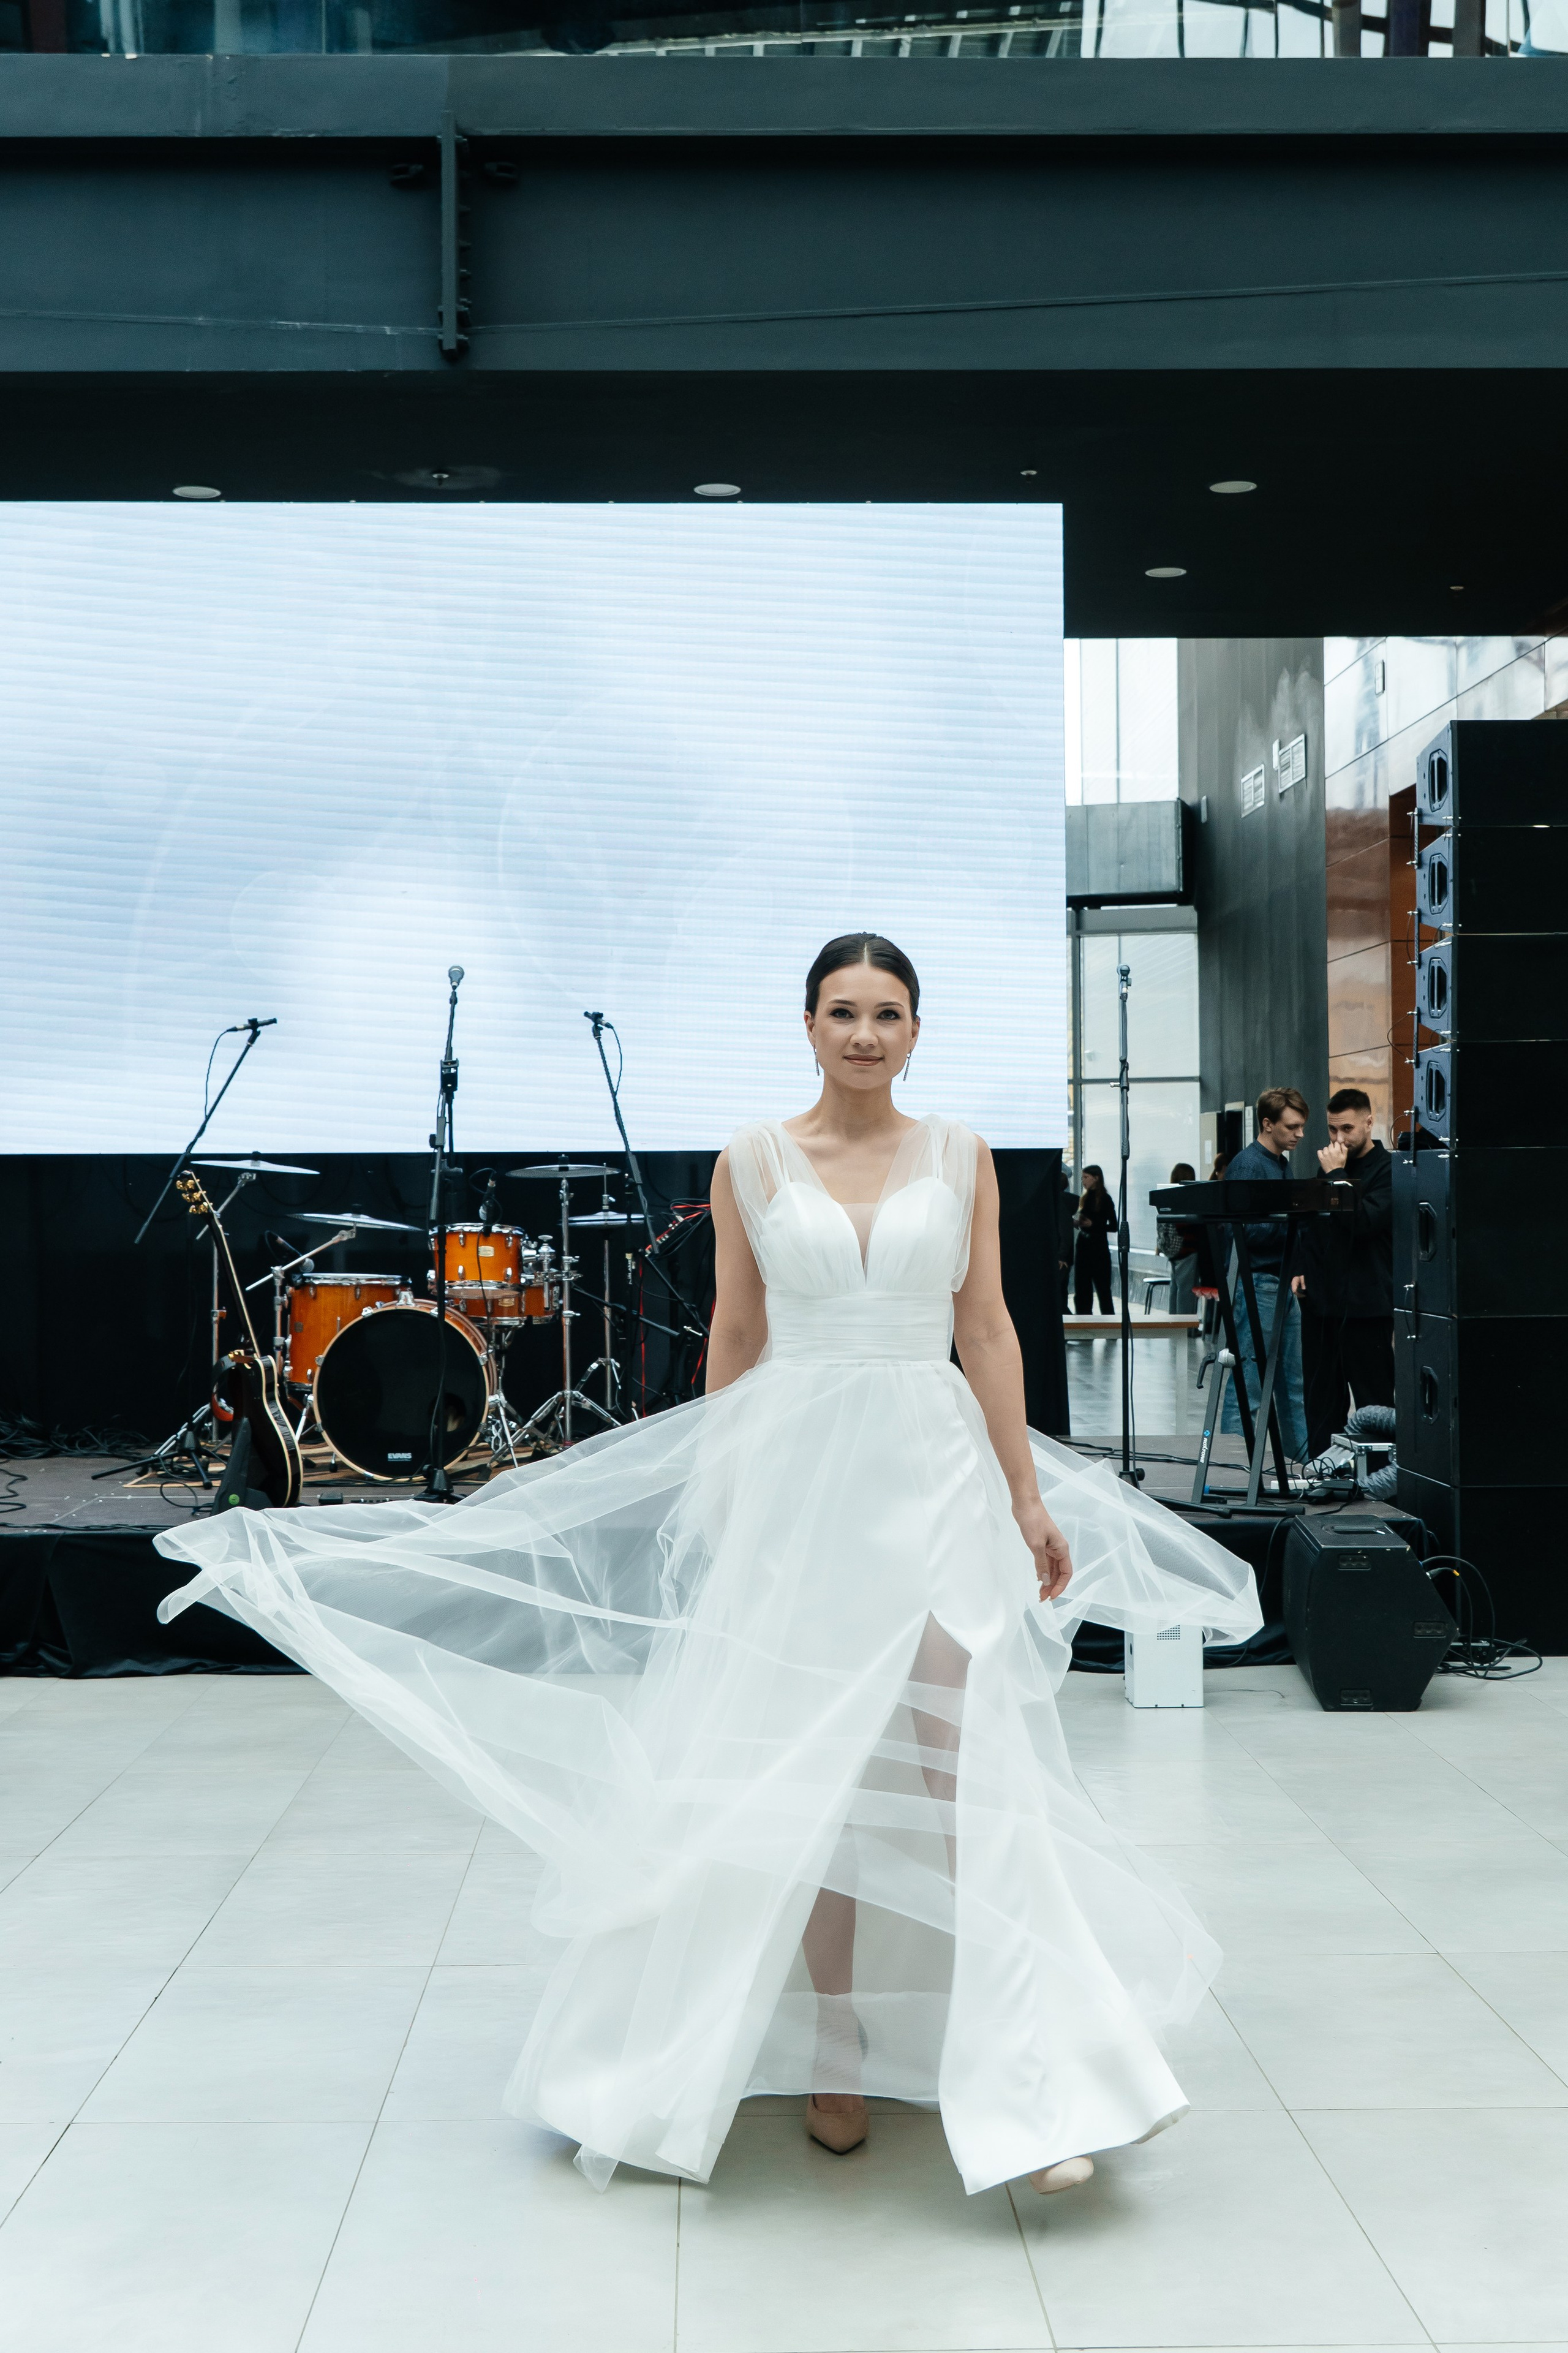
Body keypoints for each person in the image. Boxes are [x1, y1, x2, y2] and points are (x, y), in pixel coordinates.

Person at [152, 932, 1260, 2203]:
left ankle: (1037, 2084)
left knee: (969, 1771)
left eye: (886, 1013)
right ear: (805, 1024)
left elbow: (987, 1327)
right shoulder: (751, 1159)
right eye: (841, 1011)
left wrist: (1021, 1493)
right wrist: (708, 1500)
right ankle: (830, 2048)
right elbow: (734, 1333)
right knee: (807, 1774)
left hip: (933, 1472)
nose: (863, 1033)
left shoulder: (959, 1156)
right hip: (796, 1484)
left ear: (914, 1030)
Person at [1291, 1087, 1394, 1460]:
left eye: (1347, 1129)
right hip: (1322, 1302)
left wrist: (1337, 1174)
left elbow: (1365, 1223)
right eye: (1333, 1130)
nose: (1339, 1139)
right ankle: (1323, 1471)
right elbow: (1311, 1223)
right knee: (1321, 1399)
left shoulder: (1388, 1170)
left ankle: (1383, 1480)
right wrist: (1300, 1266)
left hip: (1368, 1305)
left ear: (1369, 1122)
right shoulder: (1331, 1167)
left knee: (1374, 1401)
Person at [1217, 1087, 1310, 1461]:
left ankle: (1303, 1467)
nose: (1300, 1135)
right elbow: (1241, 1231)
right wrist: (1292, 1216)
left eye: (1302, 1126)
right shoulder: (1248, 1166)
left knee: (1292, 1385)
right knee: (1249, 1383)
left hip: (1277, 1282)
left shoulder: (1278, 1162)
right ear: (1268, 1124)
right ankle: (1233, 1468)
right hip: (1257, 1284)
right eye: (1293, 1127)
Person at [1158, 1161, 1201, 1316]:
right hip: (1187, 1249)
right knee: (1187, 1291)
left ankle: (1174, 1323)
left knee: (1175, 1288)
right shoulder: (1189, 1198)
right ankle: (1186, 1327)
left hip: (1172, 1250)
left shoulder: (1168, 1196)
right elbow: (1189, 1225)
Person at [1072, 1162, 1117, 1313]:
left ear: (1096, 1178)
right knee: (1082, 1289)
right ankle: (1084, 1322)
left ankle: (1109, 1324)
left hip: (1099, 1249)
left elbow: (1114, 1226)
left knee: (1103, 1289)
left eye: (1086, 1177)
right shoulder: (1085, 1199)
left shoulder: (1105, 1199)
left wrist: (1094, 1225)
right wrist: (1079, 1223)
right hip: (1084, 1245)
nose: (1083, 1181)